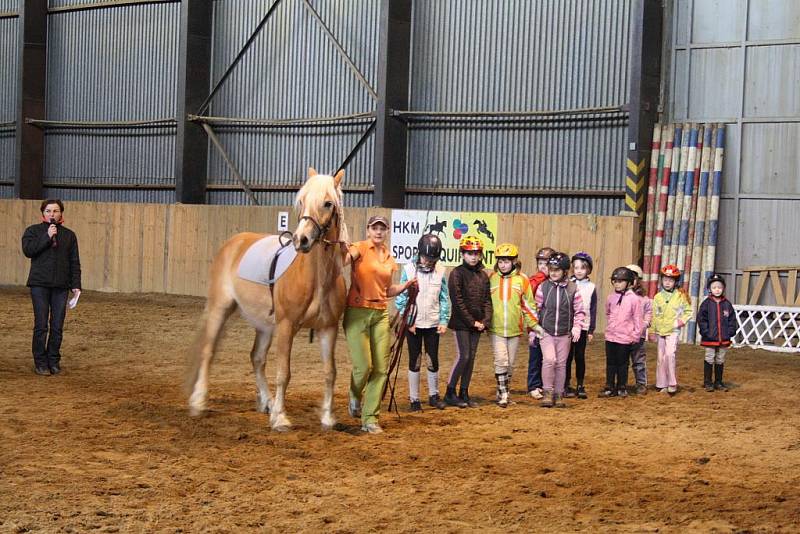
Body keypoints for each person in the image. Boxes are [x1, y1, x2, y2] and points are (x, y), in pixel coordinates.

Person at [344, 215, 416, 434]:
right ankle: (355, 394)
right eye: (374, 228)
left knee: (381, 369)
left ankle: (370, 418)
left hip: (380, 313)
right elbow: (344, 259)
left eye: (382, 228)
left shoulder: (388, 257)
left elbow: (387, 291)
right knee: (363, 366)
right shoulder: (359, 248)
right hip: (357, 312)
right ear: (368, 230)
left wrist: (405, 286)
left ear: (386, 232)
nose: (378, 232)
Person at [21, 199, 82, 376]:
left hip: (61, 286)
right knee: (41, 325)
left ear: (61, 213)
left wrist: (76, 285)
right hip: (39, 284)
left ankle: (53, 360)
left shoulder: (69, 235)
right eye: (48, 211)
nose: (52, 214)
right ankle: (40, 362)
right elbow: (28, 251)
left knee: (57, 325)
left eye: (55, 211)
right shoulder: (33, 231)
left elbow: (74, 262)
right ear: (43, 213)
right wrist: (47, 236)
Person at [396, 234, 450, 411]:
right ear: (420, 253)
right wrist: (408, 320)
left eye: (432, 259)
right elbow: (402, 297)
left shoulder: (440, 270)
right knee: (415, 360)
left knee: (432, 359)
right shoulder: (409, 269)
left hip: (433, 323)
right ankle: (414, 399)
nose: (428, 262)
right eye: (426, 258)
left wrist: (443, 320)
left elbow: (443, 297)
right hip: (414, 324)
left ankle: (434, 395)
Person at [487, 243, 542, 407]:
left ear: (514, 261)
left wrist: (535, 325)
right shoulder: (491, 278)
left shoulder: (522, 279)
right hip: (495, 329)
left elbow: (528, 305)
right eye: (501, 261)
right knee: (501, 360)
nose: (503, 265)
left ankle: (502, 388)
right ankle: (504, 394)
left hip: (514, 329)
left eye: (507, 261)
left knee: (510, 364)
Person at [445, 234, 492, 408]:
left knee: (471, 358)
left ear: (480, 255)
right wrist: (472, 322)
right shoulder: (456, 273)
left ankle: (464, 391)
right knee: (463, 356)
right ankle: (450, 391)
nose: (473, 257)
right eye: (469, 253)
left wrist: (485, 321)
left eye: (476, 253)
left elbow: (487, 300)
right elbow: (457, 301)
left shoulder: (483, 276)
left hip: (477, 324)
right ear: (463, 254)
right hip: (462, 323)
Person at [534, 252, 585, 408]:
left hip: (564, 333)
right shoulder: (543, 287)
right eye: (551, 269)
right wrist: (533, 329)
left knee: (561, 364)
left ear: (565, 271)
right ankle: (547, 392)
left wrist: (577, 327)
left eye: (557, 270)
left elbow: (579, 310)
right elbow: (536, 309)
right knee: (549, 360)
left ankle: (559, 392)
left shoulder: (572, 289)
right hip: (546, 331)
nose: (553, 272)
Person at [601, 267, 643, 398]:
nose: (617, 283)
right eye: (615, 281)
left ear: (629, 283)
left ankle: (621, 386)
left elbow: (637, 318)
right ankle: (609, 385)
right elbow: (608, 313)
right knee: (610, 363)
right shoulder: (611, 298)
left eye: (620, 281)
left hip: (625, 338)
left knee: (622, 363)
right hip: (611, 337)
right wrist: (611, 327)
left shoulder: (634, 299)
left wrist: (635, 335)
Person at [651, 264, 692, 395]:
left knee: (670, 354)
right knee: (661, 357)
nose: (667, 283)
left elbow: (688, 311)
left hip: (672, 330)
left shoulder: (681, 296)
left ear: (675, 282)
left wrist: (680, 322)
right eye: (665, 280)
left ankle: (672, 382)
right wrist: (652, 330)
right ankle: (661, 383)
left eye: (671, 280)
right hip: (660, 330)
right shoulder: (658, 297)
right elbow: (654, 314)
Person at [564, 252, 597, 399]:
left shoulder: (591, 287)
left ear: (588, 270)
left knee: (580, 356)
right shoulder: (567, 284)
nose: (578, 270)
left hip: (583, 327)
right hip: (567, 327)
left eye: (582, 268)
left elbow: (593, 309)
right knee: (567, 356)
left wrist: (591, 329)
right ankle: (566, 384)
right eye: (576, 267)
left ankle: (580, 385)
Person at [698, 274, 737, 392]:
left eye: (719, 287)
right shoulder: (706, 304)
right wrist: (705, 332)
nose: (717, 290)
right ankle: (708, 382)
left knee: (720, 359)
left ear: (723, 288)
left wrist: (730, 331)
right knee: (709, 357)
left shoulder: (727, 304)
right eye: (714, 287)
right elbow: (701, 319)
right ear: (710, 289)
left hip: (723, 338)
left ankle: (719, 382)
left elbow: (732, 319)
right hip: (710, 338)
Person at [526, 246, 555, 399]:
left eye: (547, 263)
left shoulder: (557, 281)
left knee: (549, 356)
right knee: (535, 355)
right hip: (537, 323)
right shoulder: (533, 281)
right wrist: (531, 327)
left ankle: (547, 383)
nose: (543, 267)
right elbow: (529, 305)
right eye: (541, 263)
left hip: (551, 324)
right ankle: (533, 384)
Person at [626, 264, 653, 394]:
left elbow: (648, 312)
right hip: (623, 335)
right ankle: (621, 383)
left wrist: (645, 323)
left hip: (638, 336)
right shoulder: (621, 297)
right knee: (622, 361)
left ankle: (641, 383)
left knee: (638, 361)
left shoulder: (644, 299)